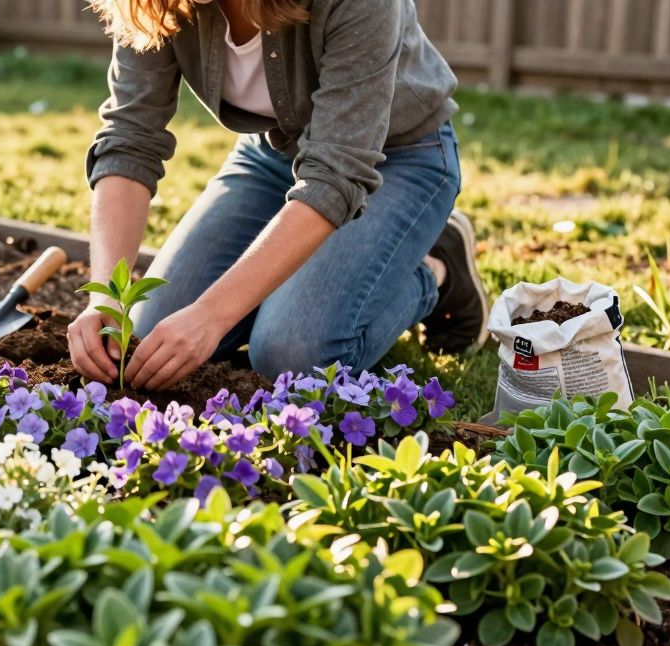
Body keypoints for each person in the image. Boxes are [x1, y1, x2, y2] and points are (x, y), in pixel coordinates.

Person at [67, 0, 489, 391]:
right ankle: (290, 287)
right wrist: (107, 295)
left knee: (292, 356)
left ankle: (436, 269)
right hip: (273, 156)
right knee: (148, 333)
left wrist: (213, 314)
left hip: (395, 159)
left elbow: (335, 174)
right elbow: (130, 138)